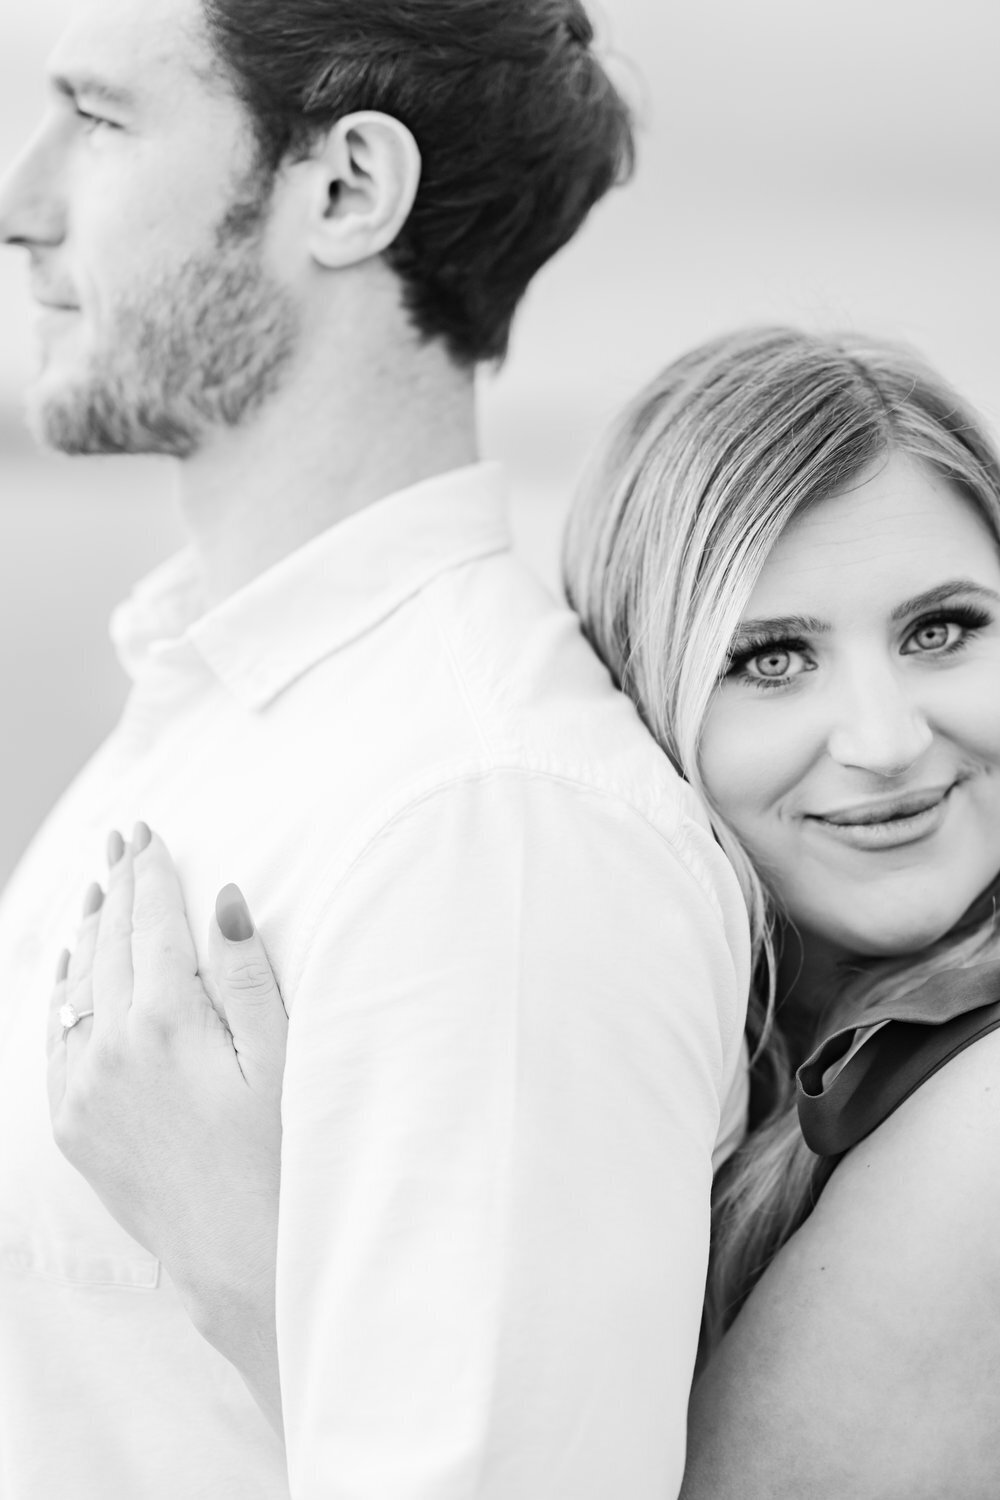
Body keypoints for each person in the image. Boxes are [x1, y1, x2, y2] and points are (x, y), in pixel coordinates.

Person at [0, 0, 751, 1495]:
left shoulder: (494, 827)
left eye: (98, 118)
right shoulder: (210, 713)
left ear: (345, 189)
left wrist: (236, 1269)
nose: (23, 202)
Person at [563, 325, 1000, 1495]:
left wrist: (259, 1274)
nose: (887, 741)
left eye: (941, 629)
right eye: (769, 659)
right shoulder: (651, 1051)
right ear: (642, 692)